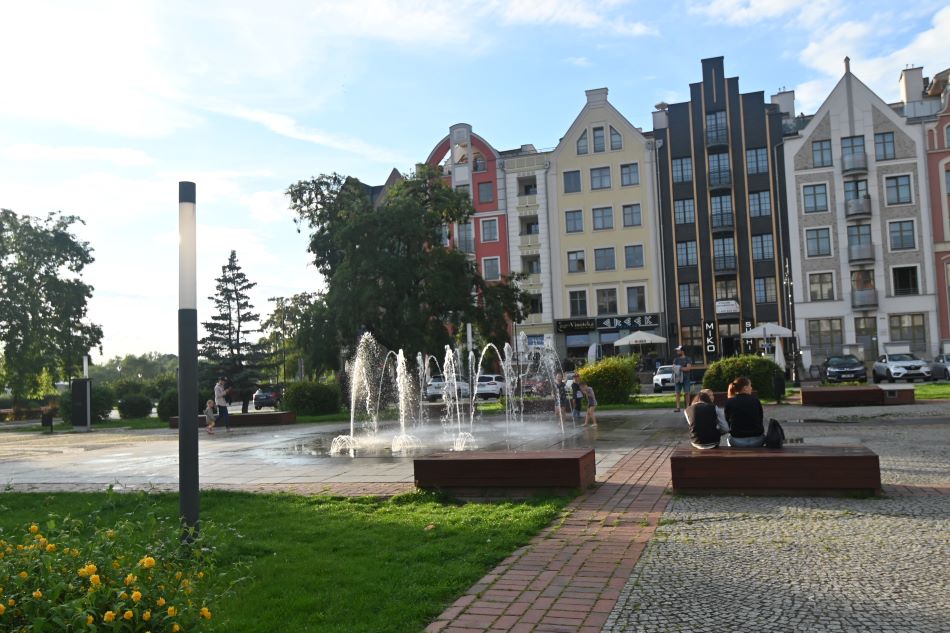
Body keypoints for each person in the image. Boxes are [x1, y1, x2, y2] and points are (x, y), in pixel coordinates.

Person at [723, 376, 765, 447]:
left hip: (737, 441)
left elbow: (727, 421)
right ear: (745, 388)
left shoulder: (729, 402)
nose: (751, 388)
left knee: (728, 438)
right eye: (750, 386)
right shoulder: (755, 401)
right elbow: (760, 418)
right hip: (758, 440)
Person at [672, 346, 693, 412]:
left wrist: (678, 368)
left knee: (687, 392)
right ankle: (678, 407)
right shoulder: (676, 359)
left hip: (686, 378)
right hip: (678, 378)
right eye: (677, 351)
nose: (677, 352)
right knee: (677, 393)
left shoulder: (688, 359)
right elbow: (673, 367)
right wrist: (682, 368)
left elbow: (688, 368)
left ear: (682, 351)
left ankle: (687, 407)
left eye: (678, 350)